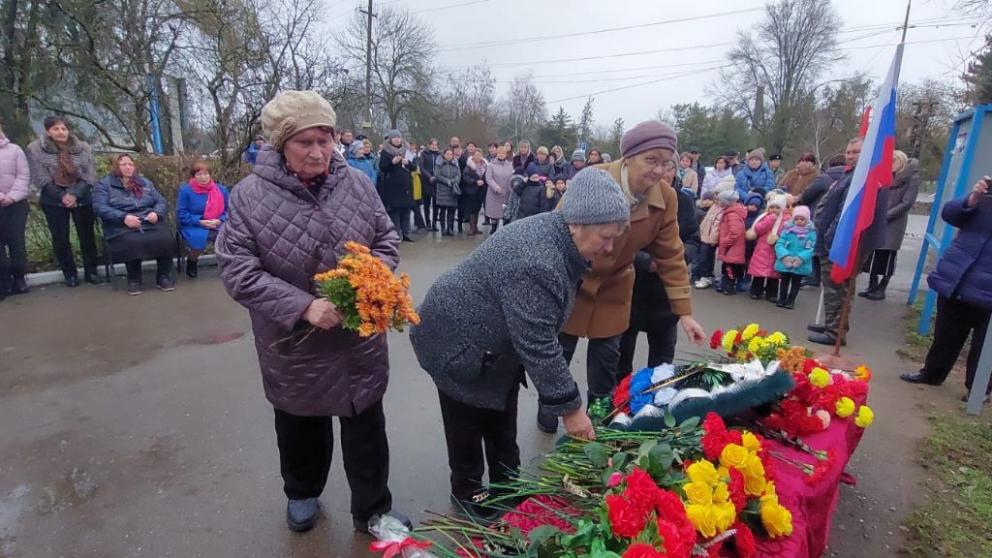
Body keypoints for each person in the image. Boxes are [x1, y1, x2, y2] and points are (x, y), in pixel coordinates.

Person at [215, 90, 410, 534]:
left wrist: (369, 280)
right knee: (300, 422)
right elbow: (238, 271)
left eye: (325, 139)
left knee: (366, 426)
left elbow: (386, 239)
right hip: (292, 341)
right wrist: (304, 306)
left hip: (358, 335)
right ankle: (302, 492)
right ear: (281, 144)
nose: (319, 151)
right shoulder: (249, 196)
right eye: (306, 142)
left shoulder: (357, 184)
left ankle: (373, 509)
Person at [410, 168, 628, 516]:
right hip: (455, 343)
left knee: (500, 414)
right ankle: (467, 493)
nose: (609, 247)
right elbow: (538, 341)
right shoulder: (538, 260)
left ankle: (506, 483)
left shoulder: (559, 237)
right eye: (605, 236)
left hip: (494, 346)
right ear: (577, 223)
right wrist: (572, 411)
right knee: (466, 423)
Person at [538, 121, 706, 433]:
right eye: (651, 160)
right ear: (628, 157)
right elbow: (555, 230)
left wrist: (685, 313)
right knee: (561, 348)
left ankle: (598, 419)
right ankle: (552, 407)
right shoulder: (593, 179)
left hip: (615, 285)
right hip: (573, 278)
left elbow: (671, 254)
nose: (658, 170)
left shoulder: (666, 198)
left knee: (606, 359)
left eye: (666, 161)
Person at [899, 177, 992, 403]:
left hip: (987, 288)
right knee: (946, 334)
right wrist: (973, 198)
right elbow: (950, 215)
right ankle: (932, 374)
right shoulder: (983, 200)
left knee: (984, 344)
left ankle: (978, 389)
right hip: (958, 277)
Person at [808, 137, 889, 346]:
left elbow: (846, 214)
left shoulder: (862, 179)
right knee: (833, 287)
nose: (851, 156)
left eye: (856, 152)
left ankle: (835, 333)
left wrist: (829, 240)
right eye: (849, 152)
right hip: (831, 240)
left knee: (839, 287)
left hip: (840, 243)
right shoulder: (851, 174)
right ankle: (832, 324)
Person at [618, 172, 700, 375]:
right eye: (655, 163)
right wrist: (646, 261)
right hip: (632, 285)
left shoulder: (683, 201)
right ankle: (621, 398)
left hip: (665, 290)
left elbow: (694, 240)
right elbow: (618, 239)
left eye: (668, 165)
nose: (662, 170)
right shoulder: (631, 197)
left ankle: (657, 398)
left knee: (662, 363)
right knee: (621, 356)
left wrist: (679, 257)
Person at [27, 116, 103, 288]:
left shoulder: (83, 148)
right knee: (60, 238)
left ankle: (91, 271)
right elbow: (40, 178)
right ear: (47, 131)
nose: (61, 132)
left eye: (63, 129)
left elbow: (89, 175)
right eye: (56, 129)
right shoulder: (35, 149)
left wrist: (74, 194)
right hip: (53, 199)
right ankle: (70, 274)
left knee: (87, 236)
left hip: (81, 196)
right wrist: (63, 196)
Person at [93, 154, 175, 295]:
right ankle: (134, 279)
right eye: (123, 164)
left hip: (147, 221)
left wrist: (156, 213)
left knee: (166, 238)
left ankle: (163, 276)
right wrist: (123, 217)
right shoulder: (104, 185)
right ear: (115, 167)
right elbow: (100, 207)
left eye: (130, 164)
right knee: (132, 241)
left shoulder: (145, 182)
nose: (128, 167)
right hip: (120, 225)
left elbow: (160, 201)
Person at [860, 150, 919, 301]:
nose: (891, 164)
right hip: (878, 220)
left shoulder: (911, 178)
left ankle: (882, 287)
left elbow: (906, 203)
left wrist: (885, 216)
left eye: (894, 161)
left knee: (887, 256)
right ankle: (872, 285)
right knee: (873, 254)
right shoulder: (886, 176)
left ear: (902, 161)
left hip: (894, 223)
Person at [798, 154, 845, 288]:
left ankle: (812, 276)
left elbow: (807, 195)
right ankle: (825, 277)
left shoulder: (824, 178)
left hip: (818, 215)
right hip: (836, 218)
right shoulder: (849, 179)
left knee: (813, 245)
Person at [176, 161, 229, 279]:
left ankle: (226, 266)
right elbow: (182, 213)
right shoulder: (186, 191)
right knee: (198, 241)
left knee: (229, 237)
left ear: (210, 175)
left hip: (217, 223)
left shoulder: (221, 190)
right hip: (194, 224)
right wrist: (199, 221)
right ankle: (192, 261)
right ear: (193, 177)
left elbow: (229, 210)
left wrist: (220, 220)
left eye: (206, 174)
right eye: (199, 174)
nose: (203, 177)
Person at [0, 123, 31, 299]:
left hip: (16, 203)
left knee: (16, 241)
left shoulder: (14, 150)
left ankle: (19, 278)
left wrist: (11, 196)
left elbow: (23, 175)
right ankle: (3, 282)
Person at [747, 195, 788, 301]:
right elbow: (758, 229)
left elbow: (787, 233)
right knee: (758, 272)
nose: (774, 210)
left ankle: (772, 293)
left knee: (774, 274)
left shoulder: (786, 219)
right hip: (762, 248)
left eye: (777, 208)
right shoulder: (765, 217)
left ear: (782, 208)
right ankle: (756, 291)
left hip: (776, 249)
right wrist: (770, 220)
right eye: (772, 207)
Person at [774, 205, 816, 309]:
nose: (799, 221)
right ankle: (781, 299)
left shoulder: (811, 233)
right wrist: (785, 256)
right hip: (786, 262)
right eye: (796, 219)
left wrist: (800, 258)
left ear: (807, 220)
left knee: (796, 283)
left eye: (802, 219)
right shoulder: (787, 230)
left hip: (800, 263)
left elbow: (810, 248)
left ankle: (791, 300)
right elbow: (780, 243)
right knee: (784, 281)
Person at [378, 129, 417, 242]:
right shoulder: (385, 152)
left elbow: (414, 167)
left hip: (406, 185)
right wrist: (392, 162)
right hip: (393, 186)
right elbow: (382, 167)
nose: (397, 139)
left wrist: (408, 163)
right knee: (395, 212)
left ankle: (407, 233)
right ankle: (396, 234)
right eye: (394, 138)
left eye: (399, 137)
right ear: (390, 139)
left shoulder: (407, 151)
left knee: (406, 210)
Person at [716, 189, 747, 295]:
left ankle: (729, 287)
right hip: (731, 248)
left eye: (720, 201)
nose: (718, 203)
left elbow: (735, 232)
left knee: (730, 269)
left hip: (732, 248)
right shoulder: (731, 213)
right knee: (727, 267)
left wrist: (725, 242)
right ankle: (725, 285)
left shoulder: (732, 215)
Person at [484, 145, 513, 234]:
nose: (501, 155)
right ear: (497, 154)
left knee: (506, 213)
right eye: (499, 153)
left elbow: (512, 177)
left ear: (506, 154)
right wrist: (495, 187)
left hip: (507, 192)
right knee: (494, 213)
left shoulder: (510, 165)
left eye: (503, 153)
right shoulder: (491, 165)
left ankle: (505, 232)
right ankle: (493, 230)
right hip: (494, 193)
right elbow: (488, 178)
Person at [434, 148, 462, 236]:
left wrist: (454, 181)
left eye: (451, 154)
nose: (449, 155)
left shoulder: (455, 163)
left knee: (451, 210)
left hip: (452, 190)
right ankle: (443, 228)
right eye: (447, 154)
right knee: (442, 210)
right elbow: (437, 175)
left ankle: (450, 228)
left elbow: (458, 175)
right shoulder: (439, 163)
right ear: (444, 155)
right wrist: (447, 181)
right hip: (442, 189)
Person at [460, 149, 487, 236]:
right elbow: (465, 177)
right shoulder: (469, 166)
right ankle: (472, 228)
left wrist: (484, 181)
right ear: (473, 156)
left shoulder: (485, 165)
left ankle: (476, 227)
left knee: (477, 209)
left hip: (481, 191)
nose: (478, 157)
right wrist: (474, 182)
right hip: (471, 191)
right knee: (471, 210)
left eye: (479, 155)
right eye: (476, 155)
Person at [419, 138, 441, 231]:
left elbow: (441, 166)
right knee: (427, 204)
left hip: (436, 182)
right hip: (426, 181)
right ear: (429, 145)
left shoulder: (439, 155)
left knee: (436, 204)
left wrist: (436, 176)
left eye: (436, 145)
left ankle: (434, 223)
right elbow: (421, 167)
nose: (434, 146)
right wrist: (429, 176)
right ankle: (427, 222)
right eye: (432, 144)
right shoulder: (424, 154)